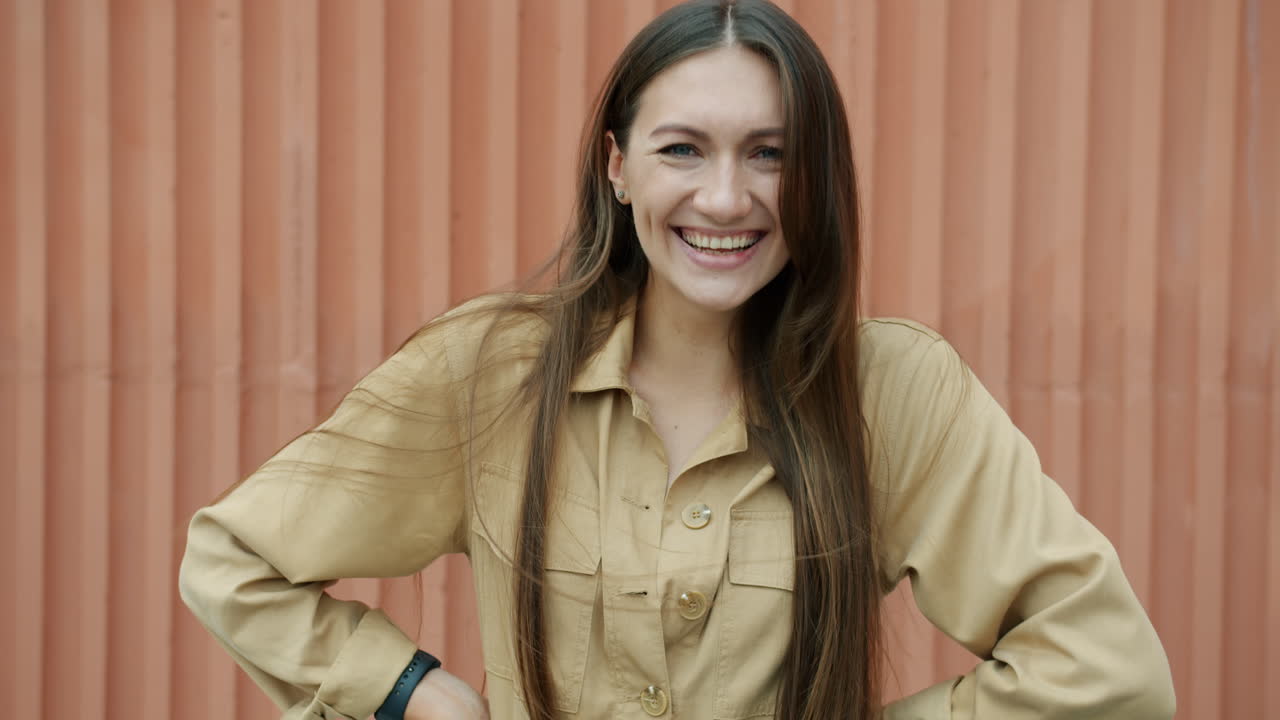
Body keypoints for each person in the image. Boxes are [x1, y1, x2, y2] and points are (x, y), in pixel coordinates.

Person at [178, 1, 1176, 718]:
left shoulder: (894, 396)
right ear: (616, 167)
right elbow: (234, 562)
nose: (726, 198)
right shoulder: (490, 374)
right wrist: (404, 692)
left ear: (813, 178)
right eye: (682, 150)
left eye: (770, 154)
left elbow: (1103, 669)